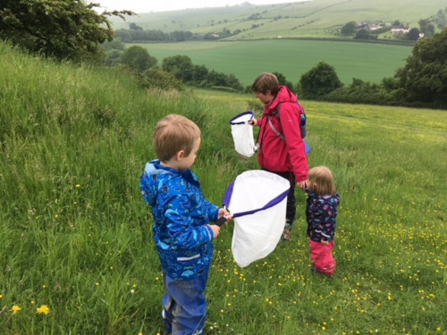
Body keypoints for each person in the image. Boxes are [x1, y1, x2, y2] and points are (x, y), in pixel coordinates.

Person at [140, 114, 231, 335]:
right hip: (187, 263)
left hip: (173, 260)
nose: (196, 156)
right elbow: (181, 237)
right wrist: (209, 231)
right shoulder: (175, 191)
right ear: (181, 155)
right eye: (195, 152)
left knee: (176, 294)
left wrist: (214, 212)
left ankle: (171, 324)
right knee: (191, 307)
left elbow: (196, 206)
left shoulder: (167, 177)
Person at [249, 72, 309, 241]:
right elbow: (272, 123)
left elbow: (295, 143)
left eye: (259, 93)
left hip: (283, 165)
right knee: (270, 195)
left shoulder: (286, 108)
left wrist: (302, 174)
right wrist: (258, 122)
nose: (257, 96)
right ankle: (271, 226)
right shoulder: (274, 104)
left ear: (268, 92)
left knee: (286, 199)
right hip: (270, 162)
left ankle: (286, 231)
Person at [305, 166, 340, 276]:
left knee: (321, 252)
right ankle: (320, 265)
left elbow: (329, 222)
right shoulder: (319, 195)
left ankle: (327, 269)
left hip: (321, 235)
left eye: (308, 180)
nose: (307, 182)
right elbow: (311, 194)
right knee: (319, 251)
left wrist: (325, 237)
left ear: (315, 184)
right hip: (316, 230)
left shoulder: (326, 204)